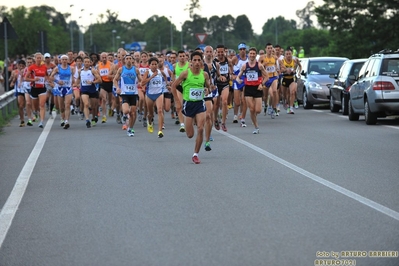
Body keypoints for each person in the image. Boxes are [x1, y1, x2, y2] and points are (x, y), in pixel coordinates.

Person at [171, 51, 211, 164]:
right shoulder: (185, 74)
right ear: (191, 62)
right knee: (190, 135)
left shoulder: (204, 74)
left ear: (202, 62)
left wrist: (208, 90)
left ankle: (195, 154)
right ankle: (191, 125)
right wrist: (177, 102)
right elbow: (173, 86)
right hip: (188, 105)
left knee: (201, 128)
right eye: (195, 60)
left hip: (199, 104)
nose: (197, 62)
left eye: (199, 60)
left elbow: (209, 87)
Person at [236, 47, 268, 134]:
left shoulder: (259, 66)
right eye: (251, 53)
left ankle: (254, 118)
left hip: (257, 88)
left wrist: (262, 84)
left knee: (258, 110)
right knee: (251, 109)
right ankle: (256, 126)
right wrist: (239, 80)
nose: (252, 55)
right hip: (248, 89)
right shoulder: (244, 66)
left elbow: (267, 77)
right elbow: (238, 76)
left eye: (254, 53)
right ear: (248, 54)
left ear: (255, 55)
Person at [113, 53, 142, 137]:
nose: (129, 60)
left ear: (132, 60)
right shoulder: (121, 69)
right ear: (124, 60)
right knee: (126, 111)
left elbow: (141, 80)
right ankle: (124, 116)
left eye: (130, 58)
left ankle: (130, 128)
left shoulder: (136, 70)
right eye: (127, 58)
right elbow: (115, 80)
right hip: (124, 93)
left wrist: (140, 83)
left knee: (133, 113)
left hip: (134, 93)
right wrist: (117, 88)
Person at [141, 57, 168, 137]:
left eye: (155, 64)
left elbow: (165, 78)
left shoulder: (161, 72)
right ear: (149, 65)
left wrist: (167, 84)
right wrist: (152, 76)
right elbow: (142, 83)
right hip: (149, 95)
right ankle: (149, 121)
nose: (154, 66)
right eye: (152, 64)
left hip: (159, 93)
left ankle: (160, 130)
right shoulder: (147, 72)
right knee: (150, 114)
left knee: (160, 110)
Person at [75, 56, 102, 128]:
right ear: (83, 63)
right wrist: (76, 84)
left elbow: (100, 80)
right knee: (86, 104)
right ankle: (87, 120)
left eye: (88, 62)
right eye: (85, 62)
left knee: (93, 107)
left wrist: (92, 82)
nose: (86, 63)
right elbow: (78, 79)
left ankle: (93, 118)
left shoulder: (93, 70)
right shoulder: (80, 71)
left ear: (90, 63)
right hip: (84, 90)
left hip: (92, 90)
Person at [50, 54, 75, 129]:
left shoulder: (71, 68)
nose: (64, 61)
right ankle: (62, 118)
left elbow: (73, 78)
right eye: (63, 59)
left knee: (67, 105)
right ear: (60, 61)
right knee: (61, 107)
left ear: (68, 60)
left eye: (65, 59)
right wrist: (57, 81)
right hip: (60, 89)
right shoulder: (57, 68)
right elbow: (51, 77)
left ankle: (66, 121)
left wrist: (73, 83)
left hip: (68, 88)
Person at [24, 53, 49, 128]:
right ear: (35, 59)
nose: (39, 59)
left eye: (40, 58)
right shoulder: (31, 67)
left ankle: (41, 122)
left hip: (42, 88)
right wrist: (34, 79)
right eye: (37, 58)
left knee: (42, 105)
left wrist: (47, 80)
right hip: (34, 88)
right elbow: (25, 78)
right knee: (35, 107)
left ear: (42, 59)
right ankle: (35, 113)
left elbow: (47, 75)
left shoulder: (44, 67)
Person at [212, 44, 233, 132]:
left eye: (222, 52)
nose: (220, 54)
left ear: (225, 52)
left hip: (225, 84)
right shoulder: (213, 61)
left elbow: (231, 70)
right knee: (216, 104)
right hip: (216, 84)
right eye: (219, 52)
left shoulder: (228, 61)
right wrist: (218, 75)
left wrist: (231, 75)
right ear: (216, 52)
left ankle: (223, 122)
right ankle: (216, 119)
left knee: (224, 101)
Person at [231, 42, 248, 127]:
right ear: (239, 50)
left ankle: (241, 115)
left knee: (243, 100)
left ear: (246, 50)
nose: (242, 51)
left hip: (245, 80)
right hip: (237, 81)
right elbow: (230, 67)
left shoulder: (249, 58)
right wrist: (232, 75)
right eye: (241, 49)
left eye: (244, 49)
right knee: (237, 101)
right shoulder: (235, 58)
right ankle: (235, 115)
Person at [98, 52, 114, 123]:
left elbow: (113, 74)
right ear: (101, 58)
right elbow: (98, 74)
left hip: (110, 83)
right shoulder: (99, 65)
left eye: (105, 57)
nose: (104, 59)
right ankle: (104, 115)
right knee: (104, 99)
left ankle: (111, 108)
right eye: (103, 57)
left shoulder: (111, 65)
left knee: (110, 100)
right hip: (103, 83)